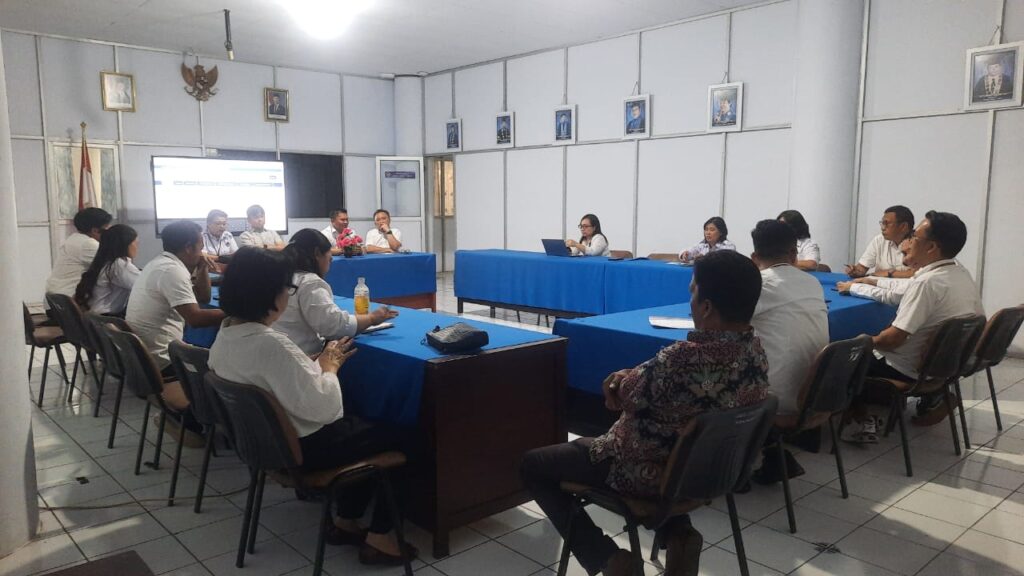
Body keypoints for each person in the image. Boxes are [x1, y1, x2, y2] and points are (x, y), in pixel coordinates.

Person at [521, 251, 768, 576]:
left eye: (693, 291)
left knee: (533, 465)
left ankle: (609, 559)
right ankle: (679, 535)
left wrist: (620, 381)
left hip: (642, 471)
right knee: (672, 443)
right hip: (711, 471)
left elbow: (625, 393)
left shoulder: (680, 360)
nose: (690, 301)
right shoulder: (756, 353)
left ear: (707, 307)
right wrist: (635, 378)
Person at [208, 247, 416, 565]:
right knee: (405, 432)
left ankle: (346, 521)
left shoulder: (226, 335)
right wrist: (330, 368)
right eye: (286, 289)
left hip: (267, 447)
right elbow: (326, 410)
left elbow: (273, 377)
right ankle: (381, 538)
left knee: (362, 425)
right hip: (307, 449)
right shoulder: (271, 343)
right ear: (269, 294)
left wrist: (307, 365)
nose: (288, 296)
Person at [844, 211, 984, 442]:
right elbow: (902, 288)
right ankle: (932, 398)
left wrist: (862, 342)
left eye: (915, 237)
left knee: (841, 355)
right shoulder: (960, 274)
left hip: (904, 368)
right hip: (942, 367)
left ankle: (864, 419)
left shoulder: (927, 284)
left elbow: (893, 340)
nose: (909, 242)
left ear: (931, 247)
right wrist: (870, 282)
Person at [125, 220, 225, 444]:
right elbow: (195, 319)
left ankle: (182, 418)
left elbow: (203, 298)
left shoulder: (161, 263)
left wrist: (201, 268)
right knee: (228, 372)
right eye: (200, 247)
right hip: (161, 359)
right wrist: (236, 312)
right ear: (188, 247)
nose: (203, 252)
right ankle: (191, 423)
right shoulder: (172, 271)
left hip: (145, 356)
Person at [747, 220, 828, 485]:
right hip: (816, 394)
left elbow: (725, 325)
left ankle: (732, 467)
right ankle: (772, 454)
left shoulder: (760, 285)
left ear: (754, 257)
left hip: (776, 400)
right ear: (794, 254)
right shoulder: (813, 283)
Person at [275, 229, 398, 356]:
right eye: (329, 258)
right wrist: (371, 318)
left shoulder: (279, 276)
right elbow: (333, 326)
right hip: (302, 357)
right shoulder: (309, 282)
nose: (330, 262)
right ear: (317, 253)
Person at [73, 224, 141, 317]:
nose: (137, 248)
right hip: (106, 318)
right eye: (136, 243)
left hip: (93, 317)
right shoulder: (119, 265)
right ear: (126, 244)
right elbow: (143, 286)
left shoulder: (104, 262)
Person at [45, 207, 112, 301]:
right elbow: (114, 267)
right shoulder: (88, 244)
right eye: (107, 230)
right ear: (95, 230)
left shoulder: (75, 239)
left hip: (57, 296)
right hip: (69, 299)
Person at [836, 239, 914, 307]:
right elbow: (897, 285)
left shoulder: (919, 281)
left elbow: (891, 296)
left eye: (905, 254)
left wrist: (853, 288)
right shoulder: (879, 240)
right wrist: (873, 282)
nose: (903, 260)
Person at [845, 205, 914, 279]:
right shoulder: (879, 240)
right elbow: (862, 268)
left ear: (903, 226)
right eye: (882, 223)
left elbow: (917, 274)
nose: (883, 228)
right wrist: (855, 271)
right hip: (879, 285)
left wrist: (889, 273)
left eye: (887, 224)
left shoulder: (919, 243)